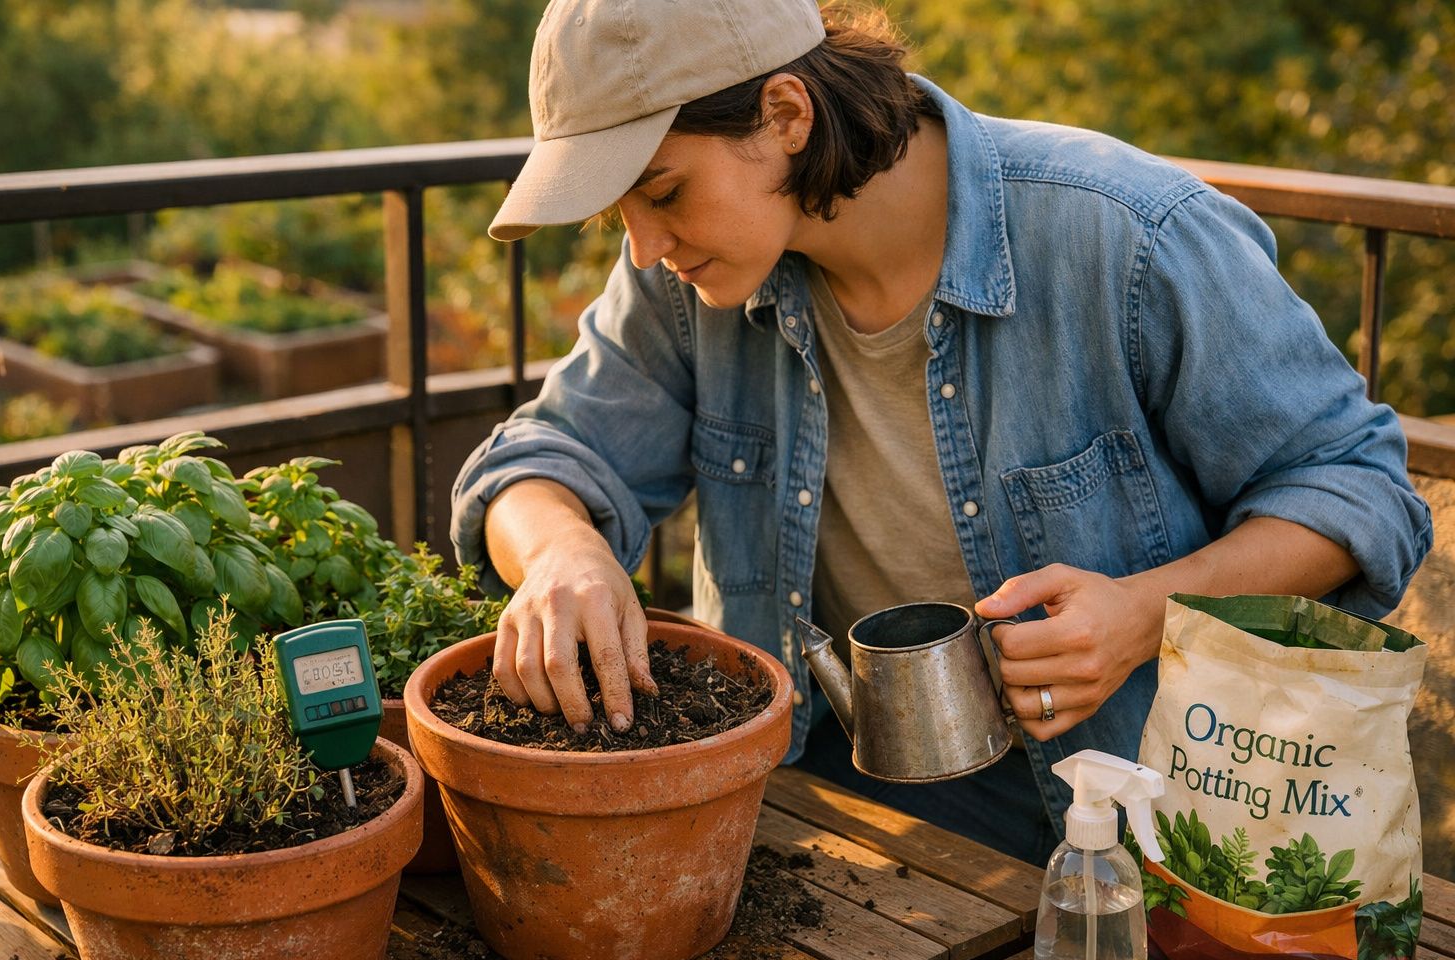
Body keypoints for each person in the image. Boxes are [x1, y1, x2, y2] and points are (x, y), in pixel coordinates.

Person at [449, 0, 1432, 864]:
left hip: (1144, 821)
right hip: (831, 791)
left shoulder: (1124, 235)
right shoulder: (685, 276)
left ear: (785, 115)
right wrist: (565, 554)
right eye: (618, 213)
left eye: (661, 192)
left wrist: (1145, 614)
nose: (645, 245)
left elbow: (1358, 488)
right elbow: (543, 459)